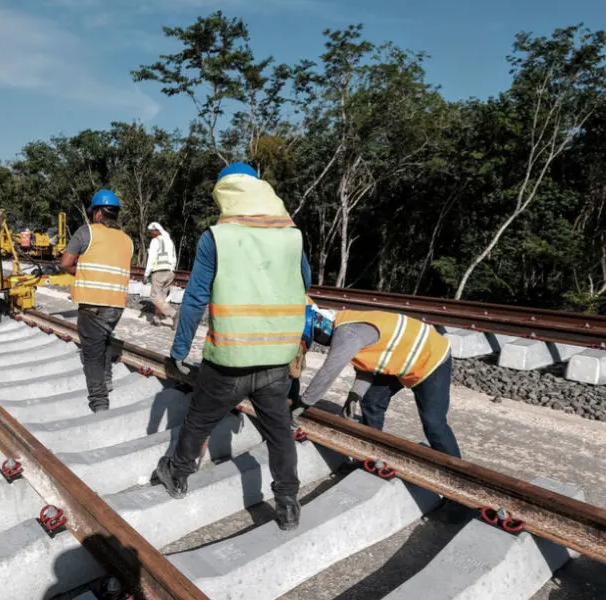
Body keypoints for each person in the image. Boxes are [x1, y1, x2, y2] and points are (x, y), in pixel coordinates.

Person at [153, 162, 311, 532]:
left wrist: (179, 351)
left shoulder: (217, 238)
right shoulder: (292, 235)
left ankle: (176, 474)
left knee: (199, 419)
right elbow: (305, 279)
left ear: (226, 194)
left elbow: (194, 299)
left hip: (230, 359)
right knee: (279, 433)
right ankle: (287, 503)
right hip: (276, 359)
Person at [291, 305, 461, 459]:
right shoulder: (347, 321)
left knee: (434, 422)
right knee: (372, 401)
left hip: (432, 359)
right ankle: (370, 454)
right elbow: (372, 360)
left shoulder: (347, 333)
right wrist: (355, 394)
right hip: (402, 355)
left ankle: (456, 474)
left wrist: (303, 403)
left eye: (317, 336)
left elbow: (328, 372)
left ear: (321, 328)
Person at [60, 190, 134, 413]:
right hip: (117, 304)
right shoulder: (127, 240)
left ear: (99, 213)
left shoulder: (87, 232)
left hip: (93, 303)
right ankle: (108, 380)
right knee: (105, 339)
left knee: (91, 354)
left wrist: (80, 271)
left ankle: (99, 402)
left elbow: (65, 263)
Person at [144, 222, 177, 326]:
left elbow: (151, 258)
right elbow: (174, 257)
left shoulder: (155, 241)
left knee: (154, 296)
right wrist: (172, 270)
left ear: (156, 231)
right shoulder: (169, 241)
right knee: (161, 298)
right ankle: (157, 319)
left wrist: (146, 274)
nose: (150, 234)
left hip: (159, 272)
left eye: (151, 232)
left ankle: (174, 314)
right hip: (170, 272)